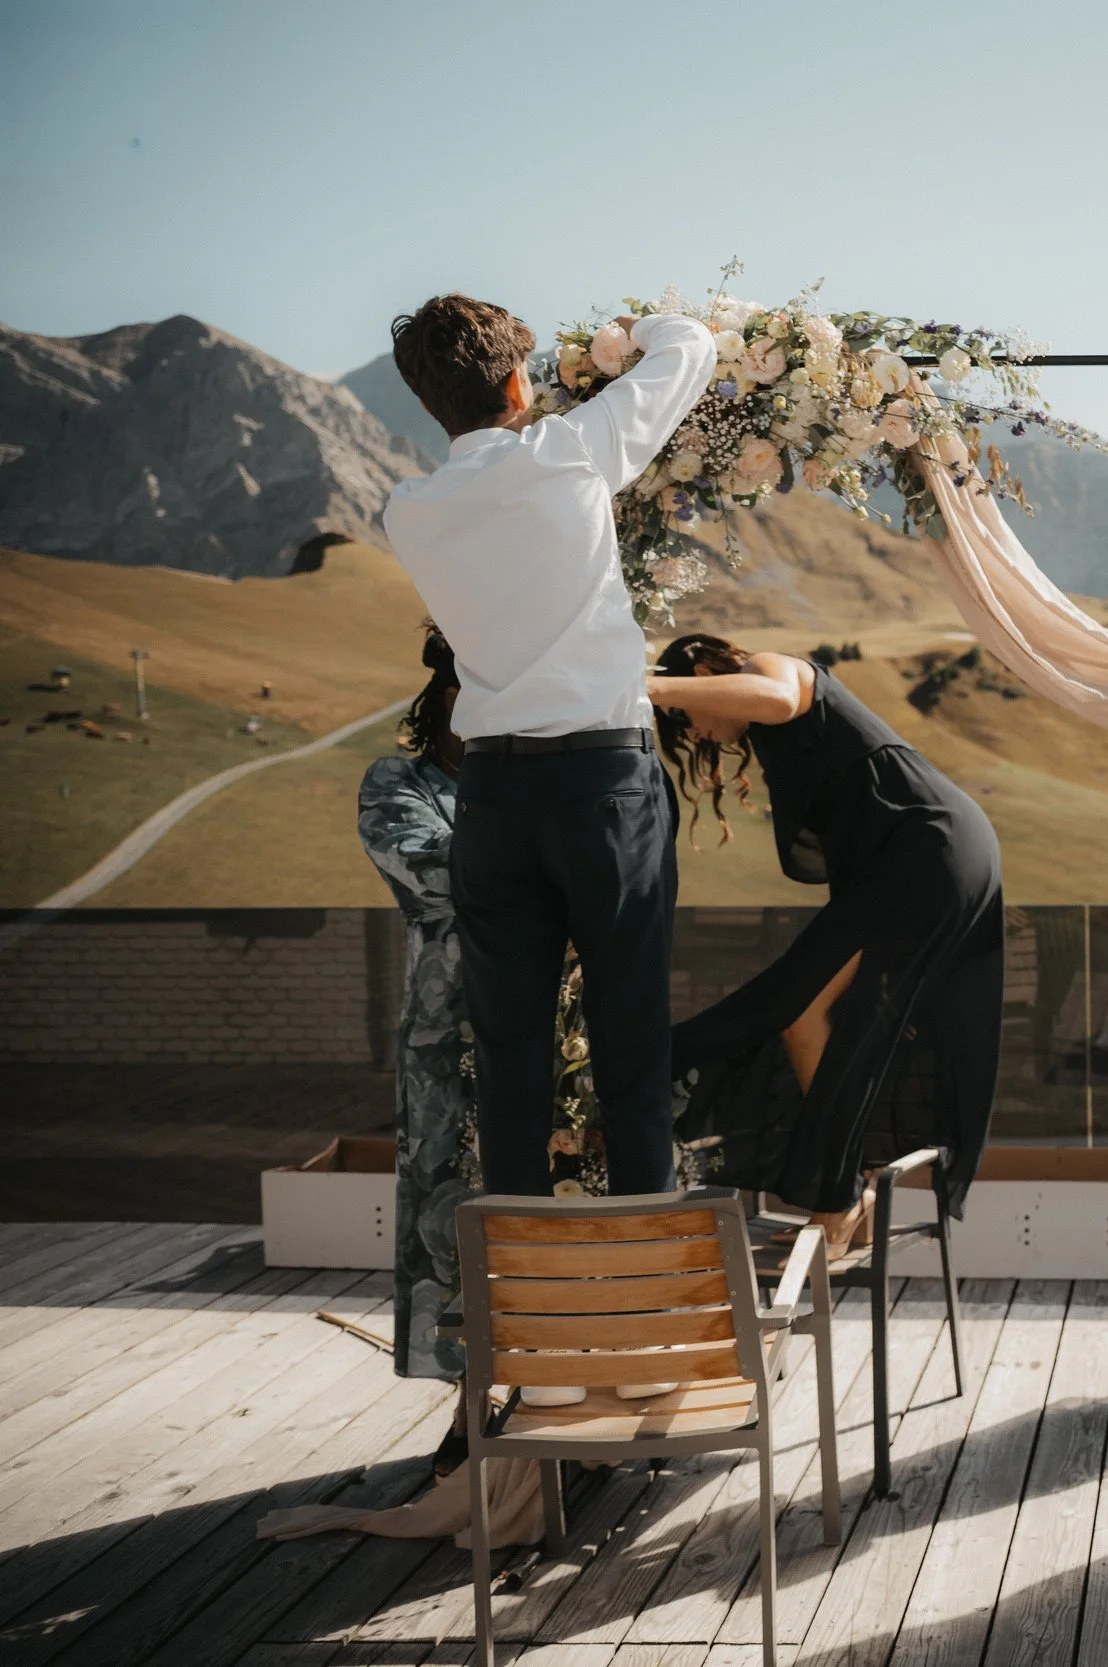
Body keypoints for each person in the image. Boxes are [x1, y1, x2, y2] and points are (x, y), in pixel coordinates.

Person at [382, 295, 715, 1205]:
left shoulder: (407, 511)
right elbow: (692, 346)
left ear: (428, 403)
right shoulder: (567, 452)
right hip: (604, 785)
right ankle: (646, 1279)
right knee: (632, 1047)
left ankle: (521, 1303)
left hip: (491, 801)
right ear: (520, 382)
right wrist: (627, 339)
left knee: (509, 1058)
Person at [652, 634, 1003, 1237]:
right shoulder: (772, 739)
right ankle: (845, 1196)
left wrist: (647, 684)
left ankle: (838, 1202)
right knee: (810, 1020)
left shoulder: (771, 668)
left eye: (687, 714)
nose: (696, 733)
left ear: (709, 671)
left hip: (928, 848)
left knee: (780, 1006)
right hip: (924, 857)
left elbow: (777, 695)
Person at [355, 623, 475, 1474]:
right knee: (453, 1220)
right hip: (447, 1044)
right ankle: (474, 1415)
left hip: (556, 1039)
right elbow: (427, 866)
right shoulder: (400, 782)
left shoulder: (536, 787)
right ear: (439, 704)